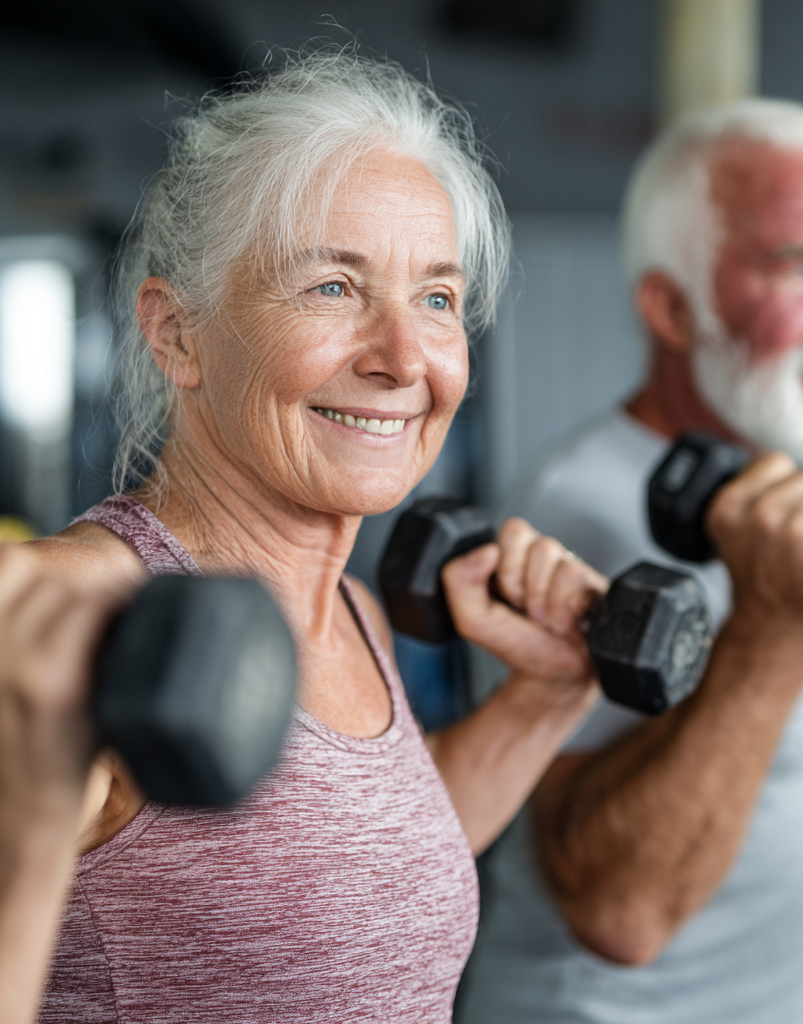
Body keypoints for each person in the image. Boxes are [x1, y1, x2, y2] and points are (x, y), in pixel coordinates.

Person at [0, 49, 617, 1024]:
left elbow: (344, 883)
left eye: (437, 298)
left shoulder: (355, 616)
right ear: (176, 333)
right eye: (333, 286)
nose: (404, 356)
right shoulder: (70, 623)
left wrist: (543, 699)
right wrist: (27, 822)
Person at [456, 99, 803, 1024]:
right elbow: (617, 912)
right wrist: (774, 624)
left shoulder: (802, 503)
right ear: (672, 308)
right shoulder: (581, 511)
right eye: (802, 268)